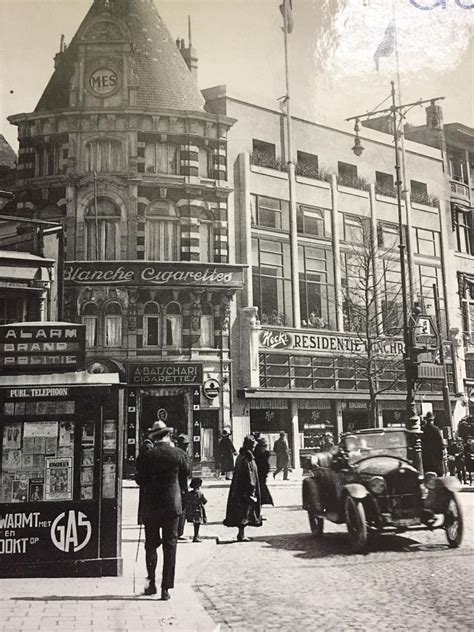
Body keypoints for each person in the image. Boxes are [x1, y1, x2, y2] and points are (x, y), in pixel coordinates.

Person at [135, 420, 189, 601]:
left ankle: (152, 582)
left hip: (151, 505)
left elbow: (139, 479)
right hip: (173, 506)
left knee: (151, 544)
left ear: (154, 436)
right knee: (170, 545)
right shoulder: (179, 454)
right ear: (168, 435)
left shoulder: (148, 455)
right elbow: (185, 479)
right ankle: (166, 588)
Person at [223, 435, 262, 541]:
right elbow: (250, 477)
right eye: (253, 446)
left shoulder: (241, 456)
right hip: (244, 490)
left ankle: (241, 534)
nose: (254, 448)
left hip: (239, 488)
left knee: (242, 511)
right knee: (244, 511)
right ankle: (241, 535)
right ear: (250, 446)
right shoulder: (247, 458)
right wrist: (252, 490)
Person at [176, 434, 191, 541]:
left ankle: (176, 531)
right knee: (182, 510)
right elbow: (187, 471)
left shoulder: (174, 453)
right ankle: (180, 532)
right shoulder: (184, 455)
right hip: (182, 486)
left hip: (174, 486)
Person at [185, 477, 208, 543]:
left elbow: (187, 502)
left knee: (194, 523)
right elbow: (204, 502)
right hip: (198, 511)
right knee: (197, 524)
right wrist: (205, 516)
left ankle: (196, 535)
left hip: (191, 511)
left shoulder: (189, 494)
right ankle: (196, 536)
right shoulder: (200, 494)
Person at [253, 436, 274, 508]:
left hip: (262, 472)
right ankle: (263, 500)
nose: (265, 447)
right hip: (260, 472)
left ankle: (263, 500)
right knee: (261, 486)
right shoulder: (259, 453)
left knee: (261, 486)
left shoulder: (261, 452)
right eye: (264, 446)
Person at [421, 412, 444, 476]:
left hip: (427, 456)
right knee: (439, 473)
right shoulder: (436, 429)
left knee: (428, 474)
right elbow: (440, 441)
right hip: (436, 455)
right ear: (432, 420)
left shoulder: (423, 429)